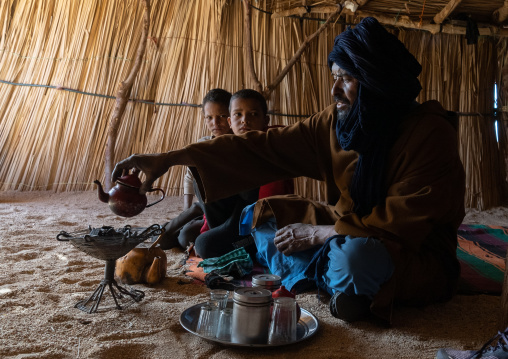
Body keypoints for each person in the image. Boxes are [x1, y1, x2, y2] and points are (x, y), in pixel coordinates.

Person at [112, 17, 465, 324]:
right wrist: (170, 158)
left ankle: (336, 278)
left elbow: (401, 223)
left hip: (407, 252)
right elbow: (259, 146)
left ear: (376, 81)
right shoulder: (336, 124)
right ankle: (343, 287)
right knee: (260, 214)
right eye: (334, 76)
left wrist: (316, 234)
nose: (334, 89)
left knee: (357, 257)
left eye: (346, 78)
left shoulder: (430, 134)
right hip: (340, 231)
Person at [190, 89, 294, 258]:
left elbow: (260, 212)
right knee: (201, 174)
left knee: (204, 245)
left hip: (261, 226)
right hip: (235, 221)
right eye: (238, 115)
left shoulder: (272, 145)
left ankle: (234, 244)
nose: (245, 120)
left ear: (265, 120)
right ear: (230, 122)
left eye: (253, 114)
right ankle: (221, 238)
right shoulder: (230, 147)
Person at [158, 88, 232, 250]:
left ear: (231, 116)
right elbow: (189, 176)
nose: (215, 123)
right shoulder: (202, 144)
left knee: (185, 238)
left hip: (224, 209)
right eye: (209, 117)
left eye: (221, 116)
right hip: (203, 208)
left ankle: (176, 226)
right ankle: (169, 229)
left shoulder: (237, 144)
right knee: (165, 240)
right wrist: (186, 208)